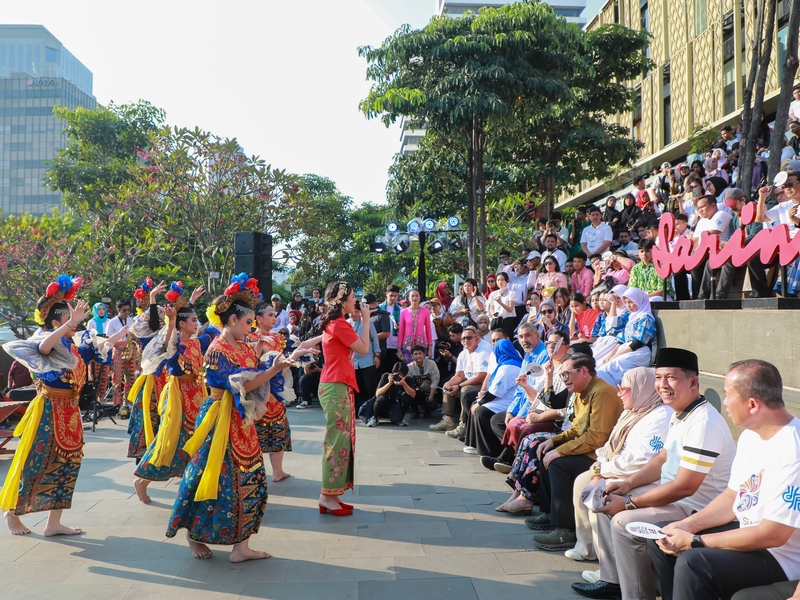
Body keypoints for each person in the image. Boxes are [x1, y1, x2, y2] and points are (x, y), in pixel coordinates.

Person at [572, 348, 735, 600]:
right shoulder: (681, 413)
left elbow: (685, 487)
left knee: (623, 523)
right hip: (676, 499)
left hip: (694, 508)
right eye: (658, 377)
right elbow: (662, 459)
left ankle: (637, 594)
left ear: (693, 381)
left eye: (671, 377)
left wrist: (627, 503)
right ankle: (615, 580)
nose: (662, 385)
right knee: (605, 497)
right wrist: (625, 485)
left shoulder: (703, 422)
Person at [645, 360, 800, 600]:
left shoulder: (793, 449)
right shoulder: (751, 435)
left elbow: (773, 535)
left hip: (780, 557)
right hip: (748, 533)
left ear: (752, 404)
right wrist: (687, 527)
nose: (724, 402)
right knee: (662, 539)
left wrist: (696, 541)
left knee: (694, 562)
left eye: (728, 395)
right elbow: (731, 497)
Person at [166, 275, 284, 561]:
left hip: (241, 420)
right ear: (232, 320)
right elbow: (240, 384)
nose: (252, 326)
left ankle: (241, 547)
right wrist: (272, 370)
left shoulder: (243, 345)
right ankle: (193, 536)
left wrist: (270, 360)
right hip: (220, 418)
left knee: (250, 476)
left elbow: (251, 369)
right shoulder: (217, 350)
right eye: (248, 322)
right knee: (211, 477)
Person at [1, 275, 126, 536]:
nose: (75, 323)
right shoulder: (42, 343)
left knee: (66, 466)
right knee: (35, 464)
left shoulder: (72, 346)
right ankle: (11, 514)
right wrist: (69, 324)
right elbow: (45, 348)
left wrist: (120, 335)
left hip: (70, 413)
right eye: (69, 319)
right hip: (47, 412)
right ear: (57, 322)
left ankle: (53, 523)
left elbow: (96, 352)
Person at [566, 367, 671, 562]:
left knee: (602, 496)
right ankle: (587, 547)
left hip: (640, 477)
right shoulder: (633, 411)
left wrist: (603, 470)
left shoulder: (661, 416)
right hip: (618, 470)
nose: (619, 392)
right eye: (619, 387)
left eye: (624, 388)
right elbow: (609, 445)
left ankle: (609, 566)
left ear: (642, 388)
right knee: (583, 482)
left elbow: (641, 460)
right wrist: (599, 467)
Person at [527, 353, 622, 551]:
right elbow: (576, 429)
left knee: (558, 464)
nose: (564, 379)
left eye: (566, 374)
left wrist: (560, 451)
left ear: (584, 371)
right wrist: (554, 442)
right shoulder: (581, 393)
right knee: (546, 451)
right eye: (562, 375)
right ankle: (551, 513)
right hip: (588, 448)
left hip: (601, 456)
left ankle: (566, 529)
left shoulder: (602, 392)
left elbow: (597, 438)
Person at [132, 283, 215, 503]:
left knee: (197, 439)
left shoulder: (199, 342)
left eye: (197, 320)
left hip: (197, 394)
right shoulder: (175, 346)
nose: (197, 324)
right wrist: (169, 323)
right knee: (168, 440)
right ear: (182, 324)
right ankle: (142, 481)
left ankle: (194, 485)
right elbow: (166, 343)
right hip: (177, 397)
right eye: (193, 321)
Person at [316, 281, 372, 516]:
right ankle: (327, 496)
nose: (355, 301)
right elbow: (363, 348)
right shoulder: (339, 324)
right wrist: (366, 320)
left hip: (336, 385)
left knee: (341, 440)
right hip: (336, 385)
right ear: (341, 302)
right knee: (338, 441)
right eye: (351, 297)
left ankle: (332, 495)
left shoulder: (336, 324)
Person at [249, 300, 318, 482]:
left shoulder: (278, 338)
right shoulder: (250, 339)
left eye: (274, 315)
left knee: (278, 430)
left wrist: (322, 337)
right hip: (257, 393)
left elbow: (298, 347)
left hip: (276, 393)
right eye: (270, 315)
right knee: (254, 434)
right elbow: (251, 365)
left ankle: (278, 471)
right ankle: (256, 472)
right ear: (258, 318)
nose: (274, 318)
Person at [484, 325, 556, 474]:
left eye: (528, 335)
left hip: (537, 406)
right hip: (524, 403)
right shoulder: (528, 355)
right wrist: (511, 410)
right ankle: (508, 458)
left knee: (503, 421)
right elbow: (520, 388)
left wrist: (518, 415)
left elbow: (534, 393)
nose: (524, 340)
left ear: (537, 336)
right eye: (521, 337)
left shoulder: (542, 356)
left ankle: (510, 460)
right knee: (499, 419)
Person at [463, 339, 523, 458]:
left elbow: (495, 391)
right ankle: (474, 443)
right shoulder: (508, 363)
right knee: (475, 402)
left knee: (481, 411)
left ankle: (489, 450)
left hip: (508, 401)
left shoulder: (508, 367)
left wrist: (480, 403)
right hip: (503, 397)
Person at [430, 326, 492, 434]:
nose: (466, 340)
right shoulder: (463, 354)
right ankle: (447, 419)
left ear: (476, 338)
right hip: (469, 381)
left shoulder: (483, 352)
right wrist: (449, 383)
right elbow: (459, 375)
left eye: (469, 338)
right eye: (463, 338)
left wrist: (459, 386)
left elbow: (480, 377)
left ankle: (463, 424)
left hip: (482, 385)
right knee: (448, 385)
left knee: (465, 390)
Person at [107, 297, 137, 416]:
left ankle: (128, 403)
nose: (127, 313)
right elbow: (108, 339)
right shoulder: (112, 322)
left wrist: (133, 338)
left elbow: (134, 335)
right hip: (118, 350)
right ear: (118, 310)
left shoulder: (130, 320)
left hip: (130, 349)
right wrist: (118, 346)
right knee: (117, 379)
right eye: (124, 310)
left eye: (128, 310)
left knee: (131, 378)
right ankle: (117, 405)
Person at [348, 306, 380, 412]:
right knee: (356, 387)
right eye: (352, 312)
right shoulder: (346, 324)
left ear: (360, 312)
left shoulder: (367, 322)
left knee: (369, 386)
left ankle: (371, 411)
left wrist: (377, 355)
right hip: (352, 361)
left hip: (367, 359)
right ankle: (357, 411)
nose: (354, 314)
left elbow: (375, 339)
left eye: (356, 312)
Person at [371, 362, 415, 426]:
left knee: (406, 396)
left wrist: (404, 384)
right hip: (385, 406)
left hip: (397, 408)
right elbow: (377, 394)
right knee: (381, 398)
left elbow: (413, 395)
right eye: (395, 374)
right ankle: (375, 418)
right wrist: (389, 383)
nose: (397, 377)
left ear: (405, 376)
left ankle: (401, 418)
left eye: (400, 375)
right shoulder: (386, 376)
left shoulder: (408, 379)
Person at [397, 289, 433, 363]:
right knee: (409, 369)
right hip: (407, 346)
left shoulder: (425, 312)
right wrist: (399, 349)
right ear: (409, 298)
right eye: (412, 296)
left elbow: (428, 330)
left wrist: (430, 348)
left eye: (416, 296)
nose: (414, 298)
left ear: (420, 297)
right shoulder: (403, 312)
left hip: (421, 345)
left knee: (421, 368)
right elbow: (401, 331)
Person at [406, 344, 440, 419]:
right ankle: (414, 411)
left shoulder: (432, 363)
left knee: (432, 405)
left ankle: (427, 411)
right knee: (407, 393)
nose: (418, 356)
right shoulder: (409, 367)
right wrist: (416, 384)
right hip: (416, 392)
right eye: (415, 354)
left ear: (424, 354)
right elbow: (408, 383)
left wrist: (431, 396)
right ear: (412, 356)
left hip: (429, 391)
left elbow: (435, 380)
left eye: (420, 353)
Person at [85, 301, 111, 400]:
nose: (101, 311)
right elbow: (89, 337)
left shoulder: (108, 321)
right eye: (99, 309)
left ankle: (102, 398)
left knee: (104, 375)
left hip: (106, 349)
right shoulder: (91, 322)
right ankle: (95, 399)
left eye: (103, 309)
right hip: (95, 351)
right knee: (94, 376)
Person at [502, 259, 537, 328]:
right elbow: (503, 275)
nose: (523, 268)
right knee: (508, 327)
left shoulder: (527, 278)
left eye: (525, 267)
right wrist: (511, 265)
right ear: (517, 265)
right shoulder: (511, 275)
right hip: (508, 306)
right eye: (521, 265)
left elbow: (531, 284)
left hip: (520, 307)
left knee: (518, 327)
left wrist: (532, 269)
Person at [487, 272, 518, 338]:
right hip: (497, 319)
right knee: (495, 338)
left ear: (507, 281)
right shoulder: (493, 294)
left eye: (502, 280)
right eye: (498, 280)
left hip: (507, 320)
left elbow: (510, 309)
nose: (500, 282)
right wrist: (493, 313)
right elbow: (491, 308)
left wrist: (500, 302)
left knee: (507, 339)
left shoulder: (511, 293)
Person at [379, 285, 402, 374]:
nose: (393, 298)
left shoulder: (400, 309)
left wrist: (400, 327)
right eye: (391, 295)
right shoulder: (380, 308)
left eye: (395, 296)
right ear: (386, 294)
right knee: (382, 370)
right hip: (383, 344)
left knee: (394, 370)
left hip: (395, 344)